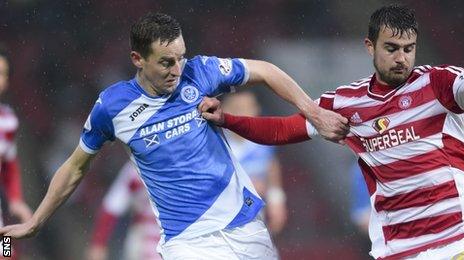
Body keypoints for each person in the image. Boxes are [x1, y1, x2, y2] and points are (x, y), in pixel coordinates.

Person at [0, 12, 348, 259]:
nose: (177, 69)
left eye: (181, 57)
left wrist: (313, 112)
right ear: (138, 58)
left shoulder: (200, 72)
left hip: (246, 229)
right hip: (188, 244)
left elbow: (266, 70)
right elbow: (75, 167)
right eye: (166, 62)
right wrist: (36, 220)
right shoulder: (113, 107)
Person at [199, 4, 464, 259]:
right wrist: (227, 120)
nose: (401, 58)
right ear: (369, 46)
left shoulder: (439, 84)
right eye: (391, 48)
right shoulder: (347, 102)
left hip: (459, 237)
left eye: (408, 48)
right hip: (398, 247)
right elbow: (283, 129)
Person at [221, 91, 288, 235]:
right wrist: (245, 186)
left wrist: (276, 200)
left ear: (257, 110)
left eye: (249, 108)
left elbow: (272, 168)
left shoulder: (263, 142)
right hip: (225, 221)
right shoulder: (218, 146)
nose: (245, 114)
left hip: (255, 218)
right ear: (225, 111)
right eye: (238, 109)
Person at [86, 161, 160, 260]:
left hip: (181, 240)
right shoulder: (137, 170)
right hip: (146, 240)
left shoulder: (185, 165)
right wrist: (99, 244)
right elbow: (111, 208)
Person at [0, 48, 33, 259]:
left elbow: (9, 165)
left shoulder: (8, 121)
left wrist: (15, 200)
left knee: (7, 252)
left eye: (3, 73)